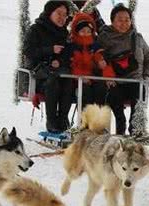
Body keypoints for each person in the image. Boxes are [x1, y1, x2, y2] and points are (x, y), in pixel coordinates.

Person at [98, 3, 149, 135]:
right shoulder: (104, 38)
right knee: (112, 94)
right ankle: (120, 126)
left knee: (140, 90)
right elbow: (97, 59)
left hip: (135, 81)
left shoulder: (137, 38)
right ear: (112, 21)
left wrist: (146, 78)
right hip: (114, 81)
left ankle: (136, 130)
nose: (124, 23)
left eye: (127, 20)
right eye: (120, 20)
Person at [23, 1, 73, 134]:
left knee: (68, 81)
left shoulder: (64, 33)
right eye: (59, 14)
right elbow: (28, 51)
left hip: (58, 71)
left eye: (65, 15)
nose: (62, 18)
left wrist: (59, 60)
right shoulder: (36, 29)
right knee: (53, 82)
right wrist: (50, 50)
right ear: (49, 13)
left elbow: (67, 54)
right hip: (39, 73)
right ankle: (51, 121)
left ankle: (63, 119)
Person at [64, 12, 115, 108]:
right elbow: (70, 65)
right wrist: (80, 77)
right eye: (83, 31)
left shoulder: (95, 47)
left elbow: (104, 63)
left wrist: (108, 76)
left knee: (101, 88)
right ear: (76, 31)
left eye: (88, 31)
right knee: (85, 92)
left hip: (93, 78)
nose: (86, 34)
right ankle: (84, 120)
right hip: (77, 81)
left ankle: (97, 119)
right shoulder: (71, 47)